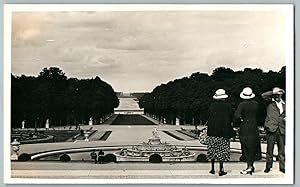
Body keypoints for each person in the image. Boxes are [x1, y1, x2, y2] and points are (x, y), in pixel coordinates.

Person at [206, 89, 236, 176]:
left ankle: (212, 169)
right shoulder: (228, 106)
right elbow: (231, 118)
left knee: (212, 150)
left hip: (212, 131)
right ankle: (221, 169)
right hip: (223, 132)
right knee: (222, 151)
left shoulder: (212, 106)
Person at [235, 87, 260, 175]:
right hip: (254, 126)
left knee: (246, 146)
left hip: (245, 127)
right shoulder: (256, 104)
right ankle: (251, 165)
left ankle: (249, 166)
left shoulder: (242, 104)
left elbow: (237, 116)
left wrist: (242, 119)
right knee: (252, 146)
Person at [261, 87, 285, 173]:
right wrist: (273, 92)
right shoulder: (269, 102)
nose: (277, 96)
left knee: (281, 150)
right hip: (271, 128)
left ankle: (282, 167)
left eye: (279, 94)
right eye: (276, 95)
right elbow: (263, 95)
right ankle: (268, 166)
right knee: (269, 150)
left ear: (281, 95)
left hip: (281, 128)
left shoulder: (285, 104)